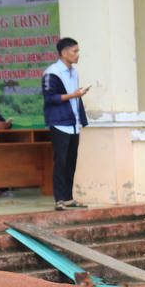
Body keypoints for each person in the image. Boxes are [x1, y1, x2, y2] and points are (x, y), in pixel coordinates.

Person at [42, 37, 90, 211]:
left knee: (71, 161)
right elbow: (50, 98)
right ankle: (59, 199)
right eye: (74, 51)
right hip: (59, 123)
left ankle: (69, 198)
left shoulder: (74, 72)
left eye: (78, 51)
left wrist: (77, 95)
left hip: (73, 122)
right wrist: (73, 95)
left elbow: (73, 96)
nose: (78, 55)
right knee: (60, 161)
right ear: (64, 53)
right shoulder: (52, 72)